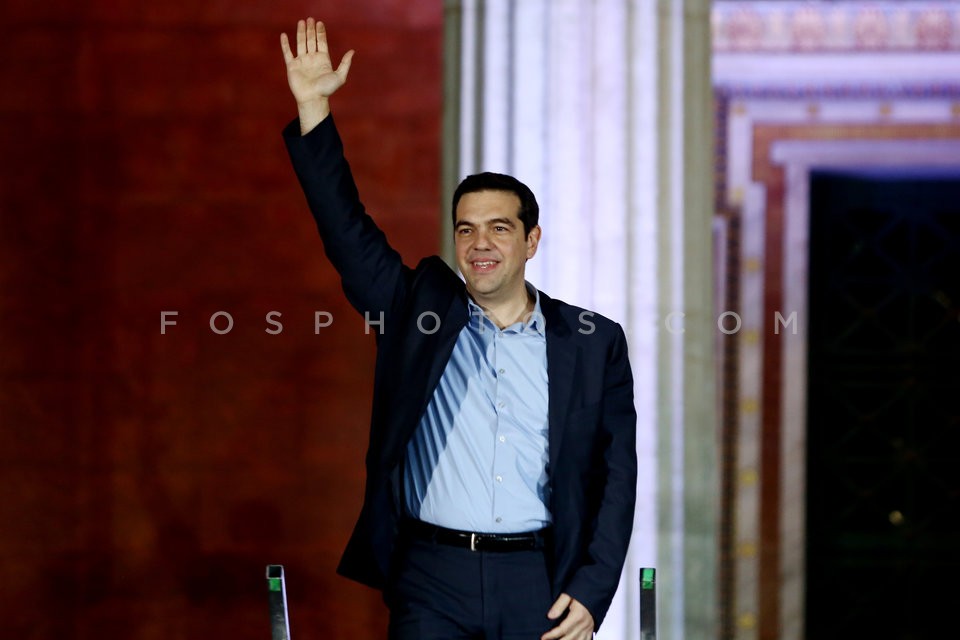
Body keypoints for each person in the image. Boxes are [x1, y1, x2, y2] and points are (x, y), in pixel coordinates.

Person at [279, 18, 637, 640]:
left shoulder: (592, 341)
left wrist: (593, 586)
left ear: (531, 241)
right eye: (466, 228)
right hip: (432, 579)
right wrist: (314, 108)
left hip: (539, 579)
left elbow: (616, 476)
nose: (480, 244)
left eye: (499, 227)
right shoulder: (418, 310)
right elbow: (347, 231)